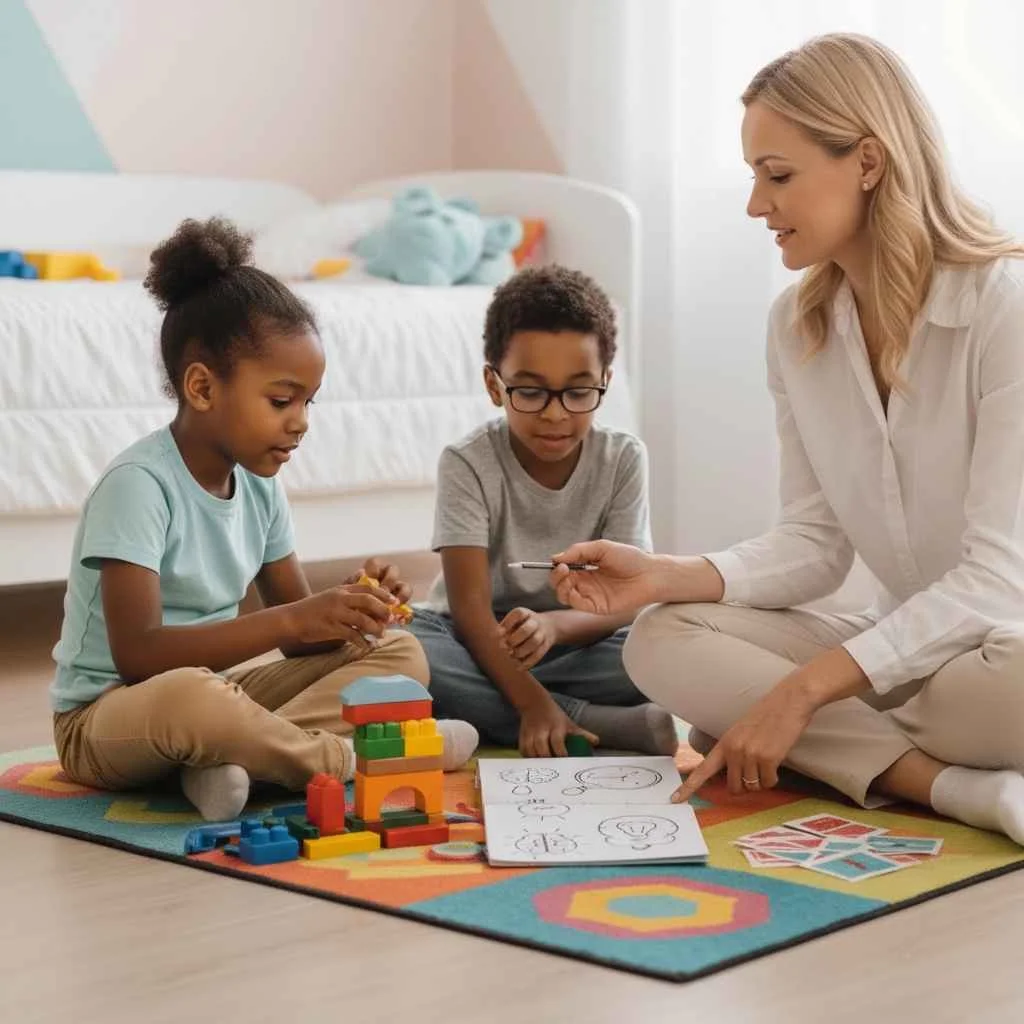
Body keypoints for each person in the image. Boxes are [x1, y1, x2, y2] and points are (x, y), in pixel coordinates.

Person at [552, 33, 1024, 844]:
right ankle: (949, 787)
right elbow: (817, 544)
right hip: (903, 656)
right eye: (753, 178)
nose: (755, 206)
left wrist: (798, 694)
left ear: (868, 162)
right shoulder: (797, 326)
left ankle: (805, 744)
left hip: (1002, 653)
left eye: (779, 176)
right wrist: (663, 575)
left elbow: (997, 578)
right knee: (663, 638)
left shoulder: (1004, 305)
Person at [50, 217, 477, 822]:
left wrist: (356, 605)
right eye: (281, 401)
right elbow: (139, 658)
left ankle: (229, 763)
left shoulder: (260, 483)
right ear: (201, 387)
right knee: (192, 700)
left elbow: (307, 636)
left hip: (212, 698)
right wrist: (292, 619)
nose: (300, 420)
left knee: (399, 653)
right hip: (107, 719)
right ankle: (344, 762)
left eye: (308, 401)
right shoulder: (138, 487)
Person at [407, 265, 678, 757]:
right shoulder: (467, 462)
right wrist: (531, 704)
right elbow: (467, 609)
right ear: (495, 386)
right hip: (478, 639)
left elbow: (627, 597)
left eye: (577, 392)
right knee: (408, 648)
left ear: (605, 383)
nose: (555, 414)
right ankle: (583, 719)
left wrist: (554, 627)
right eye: (530, 392)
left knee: (668, 643)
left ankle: (502, 711)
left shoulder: (622, 458)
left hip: (578, 639)